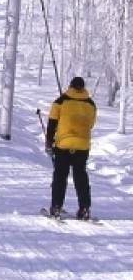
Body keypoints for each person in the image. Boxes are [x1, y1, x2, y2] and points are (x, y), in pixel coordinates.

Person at [45, 76, 97, 220]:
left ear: (71, 86)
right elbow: (91, 124)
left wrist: (49, 142)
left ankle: (56, 207)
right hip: (82, 145)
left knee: (60, 175)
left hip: (63, 144)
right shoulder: (91, 104)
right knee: (80, 176)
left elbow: (52, 123)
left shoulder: (60, 101)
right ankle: (84, 208)